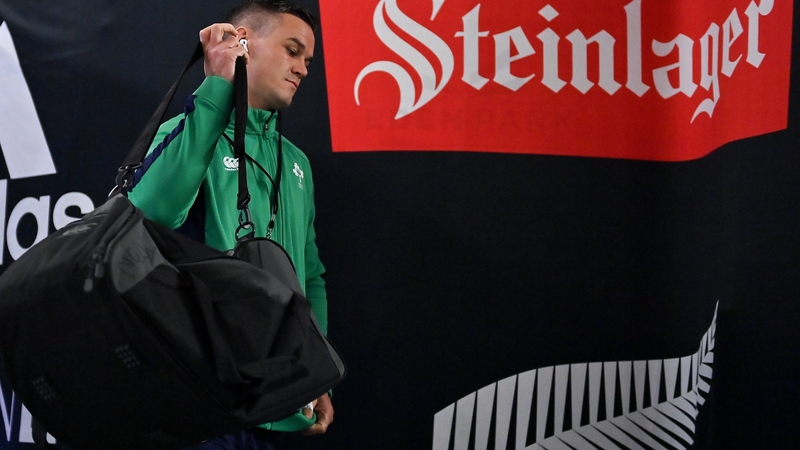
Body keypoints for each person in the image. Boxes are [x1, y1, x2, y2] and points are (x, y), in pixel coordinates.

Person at [127, 1, 332, 448]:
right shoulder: (185, 133)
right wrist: (217, 86)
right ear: (242, 42)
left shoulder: (297, 163)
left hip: (281, 411)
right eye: (292, 50)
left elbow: (310, 276)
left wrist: (317, 373)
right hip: (203, 407)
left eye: (308, 60)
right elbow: (151, 212)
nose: (302, 68)